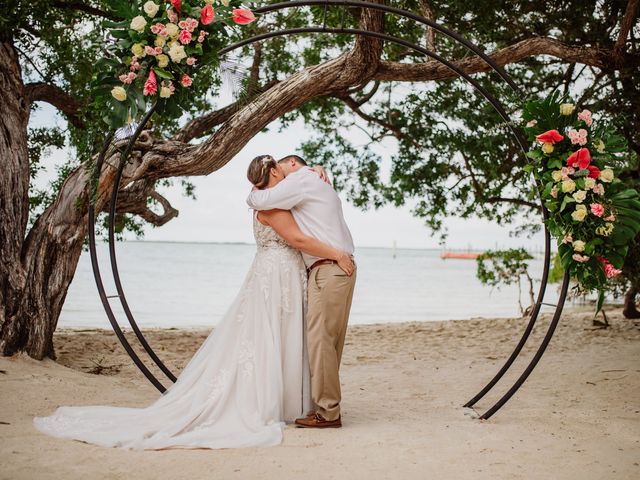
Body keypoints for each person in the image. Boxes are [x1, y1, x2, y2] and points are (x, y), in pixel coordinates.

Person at [32, 155, 353, 450]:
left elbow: (298, 210)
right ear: (271, 172)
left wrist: (316, 169)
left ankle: (307, 403)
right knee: (274, 334)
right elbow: (296, 239)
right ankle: (292, 403)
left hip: (276, 273)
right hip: (278, 274)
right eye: (280, 170)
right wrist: (337, 251)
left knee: (281, 334)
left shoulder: (281, 197)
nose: (285, 174)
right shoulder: (273, 205)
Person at [246, 154, 357, 429]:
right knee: (327, 342)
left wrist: (251, 194)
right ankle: (325, 406)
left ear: (292, 165)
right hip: (333, 267)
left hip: (330, 266)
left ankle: (328, 412)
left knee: (321, 341)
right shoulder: (308, 180)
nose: (281, 179)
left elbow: (261, 201)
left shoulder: (300, 180)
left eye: (283, 170)